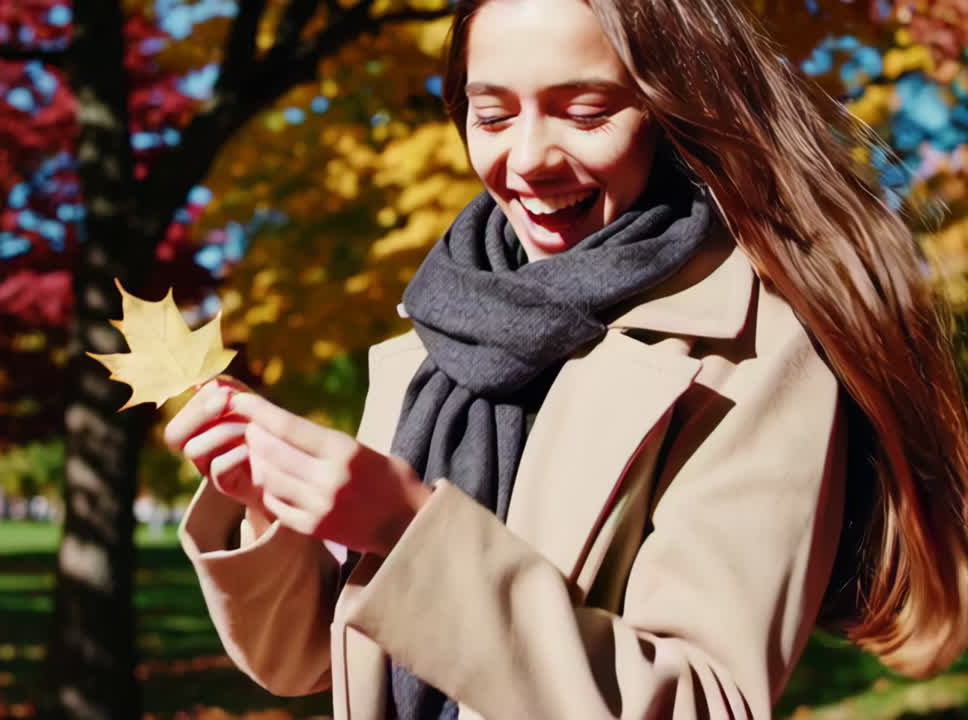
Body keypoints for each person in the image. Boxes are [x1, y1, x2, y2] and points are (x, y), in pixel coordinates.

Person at [163, 0, 968, 717]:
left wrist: (408, 529)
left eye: (585, 113)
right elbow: (313, 662)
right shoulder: (428, 344)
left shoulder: (754, 353)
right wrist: (267, 501)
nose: (529, 160)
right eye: (492, 114)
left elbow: (703, 701)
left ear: (670, 110)